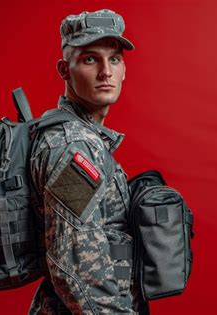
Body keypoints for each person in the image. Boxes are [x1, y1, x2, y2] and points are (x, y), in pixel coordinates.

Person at [28, 9, 144, 315]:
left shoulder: (82, 137)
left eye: (115, 59)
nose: (106, 71)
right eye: (90, 59)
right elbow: (75, 264)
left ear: (124, 69)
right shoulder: (76, 148)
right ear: (65, 70)